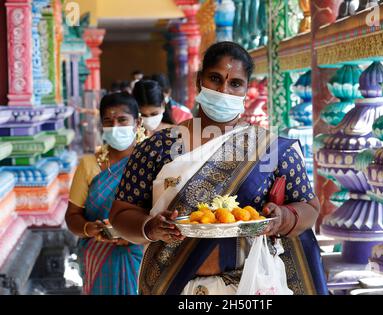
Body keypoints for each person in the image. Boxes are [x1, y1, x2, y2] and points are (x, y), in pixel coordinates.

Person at [109, 41, 327, 295]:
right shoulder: (157, 147)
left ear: (247, 89)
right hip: (173, 286)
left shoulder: (271, 149)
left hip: (250, 287)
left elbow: (310, 209)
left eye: (235, 83)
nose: (224, 90)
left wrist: (283, 218)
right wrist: (150, 227)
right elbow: (121, 214)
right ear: (199, 80)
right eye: (215, 78)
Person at [65, 92, 144, 295]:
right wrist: (88, 228)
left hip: (142, 253)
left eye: (122, 120)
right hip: (98, 254)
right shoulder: (89, 165)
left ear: (138, 122)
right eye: (108, 121)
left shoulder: (151, 163)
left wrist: (138, 235)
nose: (115, 127)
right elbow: (72, 215)